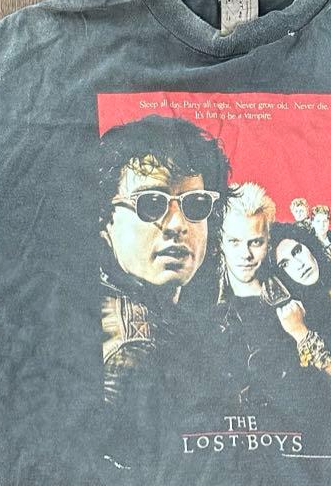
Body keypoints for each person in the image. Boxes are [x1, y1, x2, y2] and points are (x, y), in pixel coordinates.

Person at [98, 114, 231, 458]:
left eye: (196, 205)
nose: (177, 225)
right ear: (104, 221)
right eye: (151, 204)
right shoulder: (132, 353)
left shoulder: (190, 309)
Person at [211, 182, 318, 413]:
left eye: (256, 242)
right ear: (220, 243)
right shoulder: (200, 301)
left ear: (268, 242)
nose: (246, 254)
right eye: (234, 242)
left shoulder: (295, 300)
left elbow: (319, 387)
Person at [269, 221, 331, 388]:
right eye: (285, 264)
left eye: (297, 251)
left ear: (310, 248)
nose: (299, 264)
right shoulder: (287, 315)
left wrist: (301, 334)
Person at [300, 203, 331, 268]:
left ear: (329, 222)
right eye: (318, 221)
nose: (322, 225)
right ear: (312, 223)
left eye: (325, 221)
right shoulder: (308, 243)